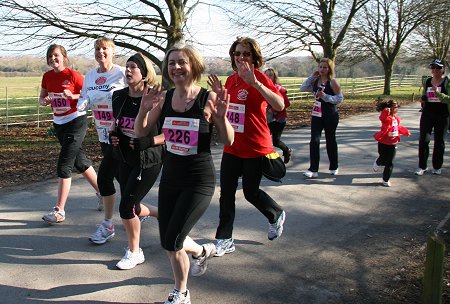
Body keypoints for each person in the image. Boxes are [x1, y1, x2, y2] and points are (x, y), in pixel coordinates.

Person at [134, 45, 234, 304]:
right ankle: (201, 251)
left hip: (198, 181)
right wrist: (144, 109)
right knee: (170, 239)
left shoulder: (208, 98)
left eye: (181, 62)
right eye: (171, 63)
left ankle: (181, 293)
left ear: (194, 66)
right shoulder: (166, 98)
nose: (176, 67)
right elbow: (141, 132)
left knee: (172, 241)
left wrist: (221, 118)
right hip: (170, 179)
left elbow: (229, 140)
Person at [207, 37, 286, 258]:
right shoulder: (231, 80)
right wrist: (217, 99)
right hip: (232, 146)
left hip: (255, 146)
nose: (241, 57)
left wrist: (256, 84)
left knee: (251, 193)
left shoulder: (259, 77)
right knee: (226, 194)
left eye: (246, 53)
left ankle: (276, 214)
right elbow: (226, 112)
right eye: (238, 53)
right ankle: (224, 239)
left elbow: (279, 105)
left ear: (254, 57)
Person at [110, 53, 164, 269]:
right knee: (131, 203)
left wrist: (149, 141)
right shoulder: (118, 96)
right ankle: (161, 214)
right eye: (127, 66)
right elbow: (117, 124)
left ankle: (135, 252)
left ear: (144, 73)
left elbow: (170, 131)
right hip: (124, 157)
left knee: (126, 207)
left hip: (147, 160)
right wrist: (114, 134)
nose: (128, 70)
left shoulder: (156, 97)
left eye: (133, 67)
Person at [40, 44, 100, 224]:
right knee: (80, 161)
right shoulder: (47, 76)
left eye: (56, 55)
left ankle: (59, 211)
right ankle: (103, 193)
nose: (53, 59)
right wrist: (46, 100)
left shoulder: (73, 75)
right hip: (59, 123)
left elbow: (88, 96)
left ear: (64, 57)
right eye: (50, 56)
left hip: (76, 120)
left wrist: (72, 96)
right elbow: (42, 99)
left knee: (64, 164)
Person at [76, 37, 127, 244]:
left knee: (114, 175)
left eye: (105, 48)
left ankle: (113, 221)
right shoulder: (89, 76)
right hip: (103, 132)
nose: (101, 52)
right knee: (119, 174)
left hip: (123, 133)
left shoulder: (122, 72)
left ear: (113, 52)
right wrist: (81, 104)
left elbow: (138, 93)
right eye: (97, 49)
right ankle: (135, 209)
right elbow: (84, 97)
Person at [300, 58, 343, 178]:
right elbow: (302, 88)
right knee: (314, 140)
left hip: (330, 114)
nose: (322, 69)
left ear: (329, 69)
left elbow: (339, 99)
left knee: (330, 140)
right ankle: (313, 169)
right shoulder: (315, 81)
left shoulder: (332, 82)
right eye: (320, 67)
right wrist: (311, 77)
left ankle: (334, 166)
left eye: (325, 67)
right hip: (317, 114)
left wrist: (325, 96)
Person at [415, 59, 450, 176]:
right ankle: (422, 166)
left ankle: (437, 166)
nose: (435, 70)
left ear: (443, 70)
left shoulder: (447, 82)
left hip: (442, 114)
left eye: (438, 68)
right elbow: (425, 94)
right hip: (427, 114)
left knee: (439, 141)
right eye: (433, 67)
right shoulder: (428, 81)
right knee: (424, 140)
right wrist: (423, 99)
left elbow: (448, 99)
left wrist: (438, 93)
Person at [372, 100, 411, 187]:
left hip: (393, 143)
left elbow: (398, 127)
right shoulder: (386, 117)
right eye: (394, 107)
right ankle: (378, 162)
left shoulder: (396, 118)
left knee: (390, 162)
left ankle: (386, 179)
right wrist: (385, 111)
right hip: (383, 142)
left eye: (397, 107)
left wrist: (405, 132)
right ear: (389, 108)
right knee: (383, 158)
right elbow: (382, 118)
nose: (396, 109)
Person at [264, 67, 292, 163]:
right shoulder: (261, 88)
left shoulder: (279, 89)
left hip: (278, 119)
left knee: (275, 141)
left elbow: (286, 104)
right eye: (266, 75)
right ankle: (266, 161)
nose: (268, 77)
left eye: (270, 75)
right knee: (264, 140)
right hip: (266, 119)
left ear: (274, 77)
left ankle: (286, 151)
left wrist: (274, 109)